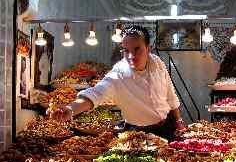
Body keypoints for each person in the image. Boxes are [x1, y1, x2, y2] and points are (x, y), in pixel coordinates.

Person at [48, 25, 185, 141]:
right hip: (137, 134)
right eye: (126, 50)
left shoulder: (157, 63)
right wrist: (71, 109)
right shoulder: (119, 74)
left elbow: (170, 94)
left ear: (148, 49)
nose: (131, 56)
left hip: (167, 126)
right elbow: (96, 93)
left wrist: (179, 121)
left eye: (137, 49)